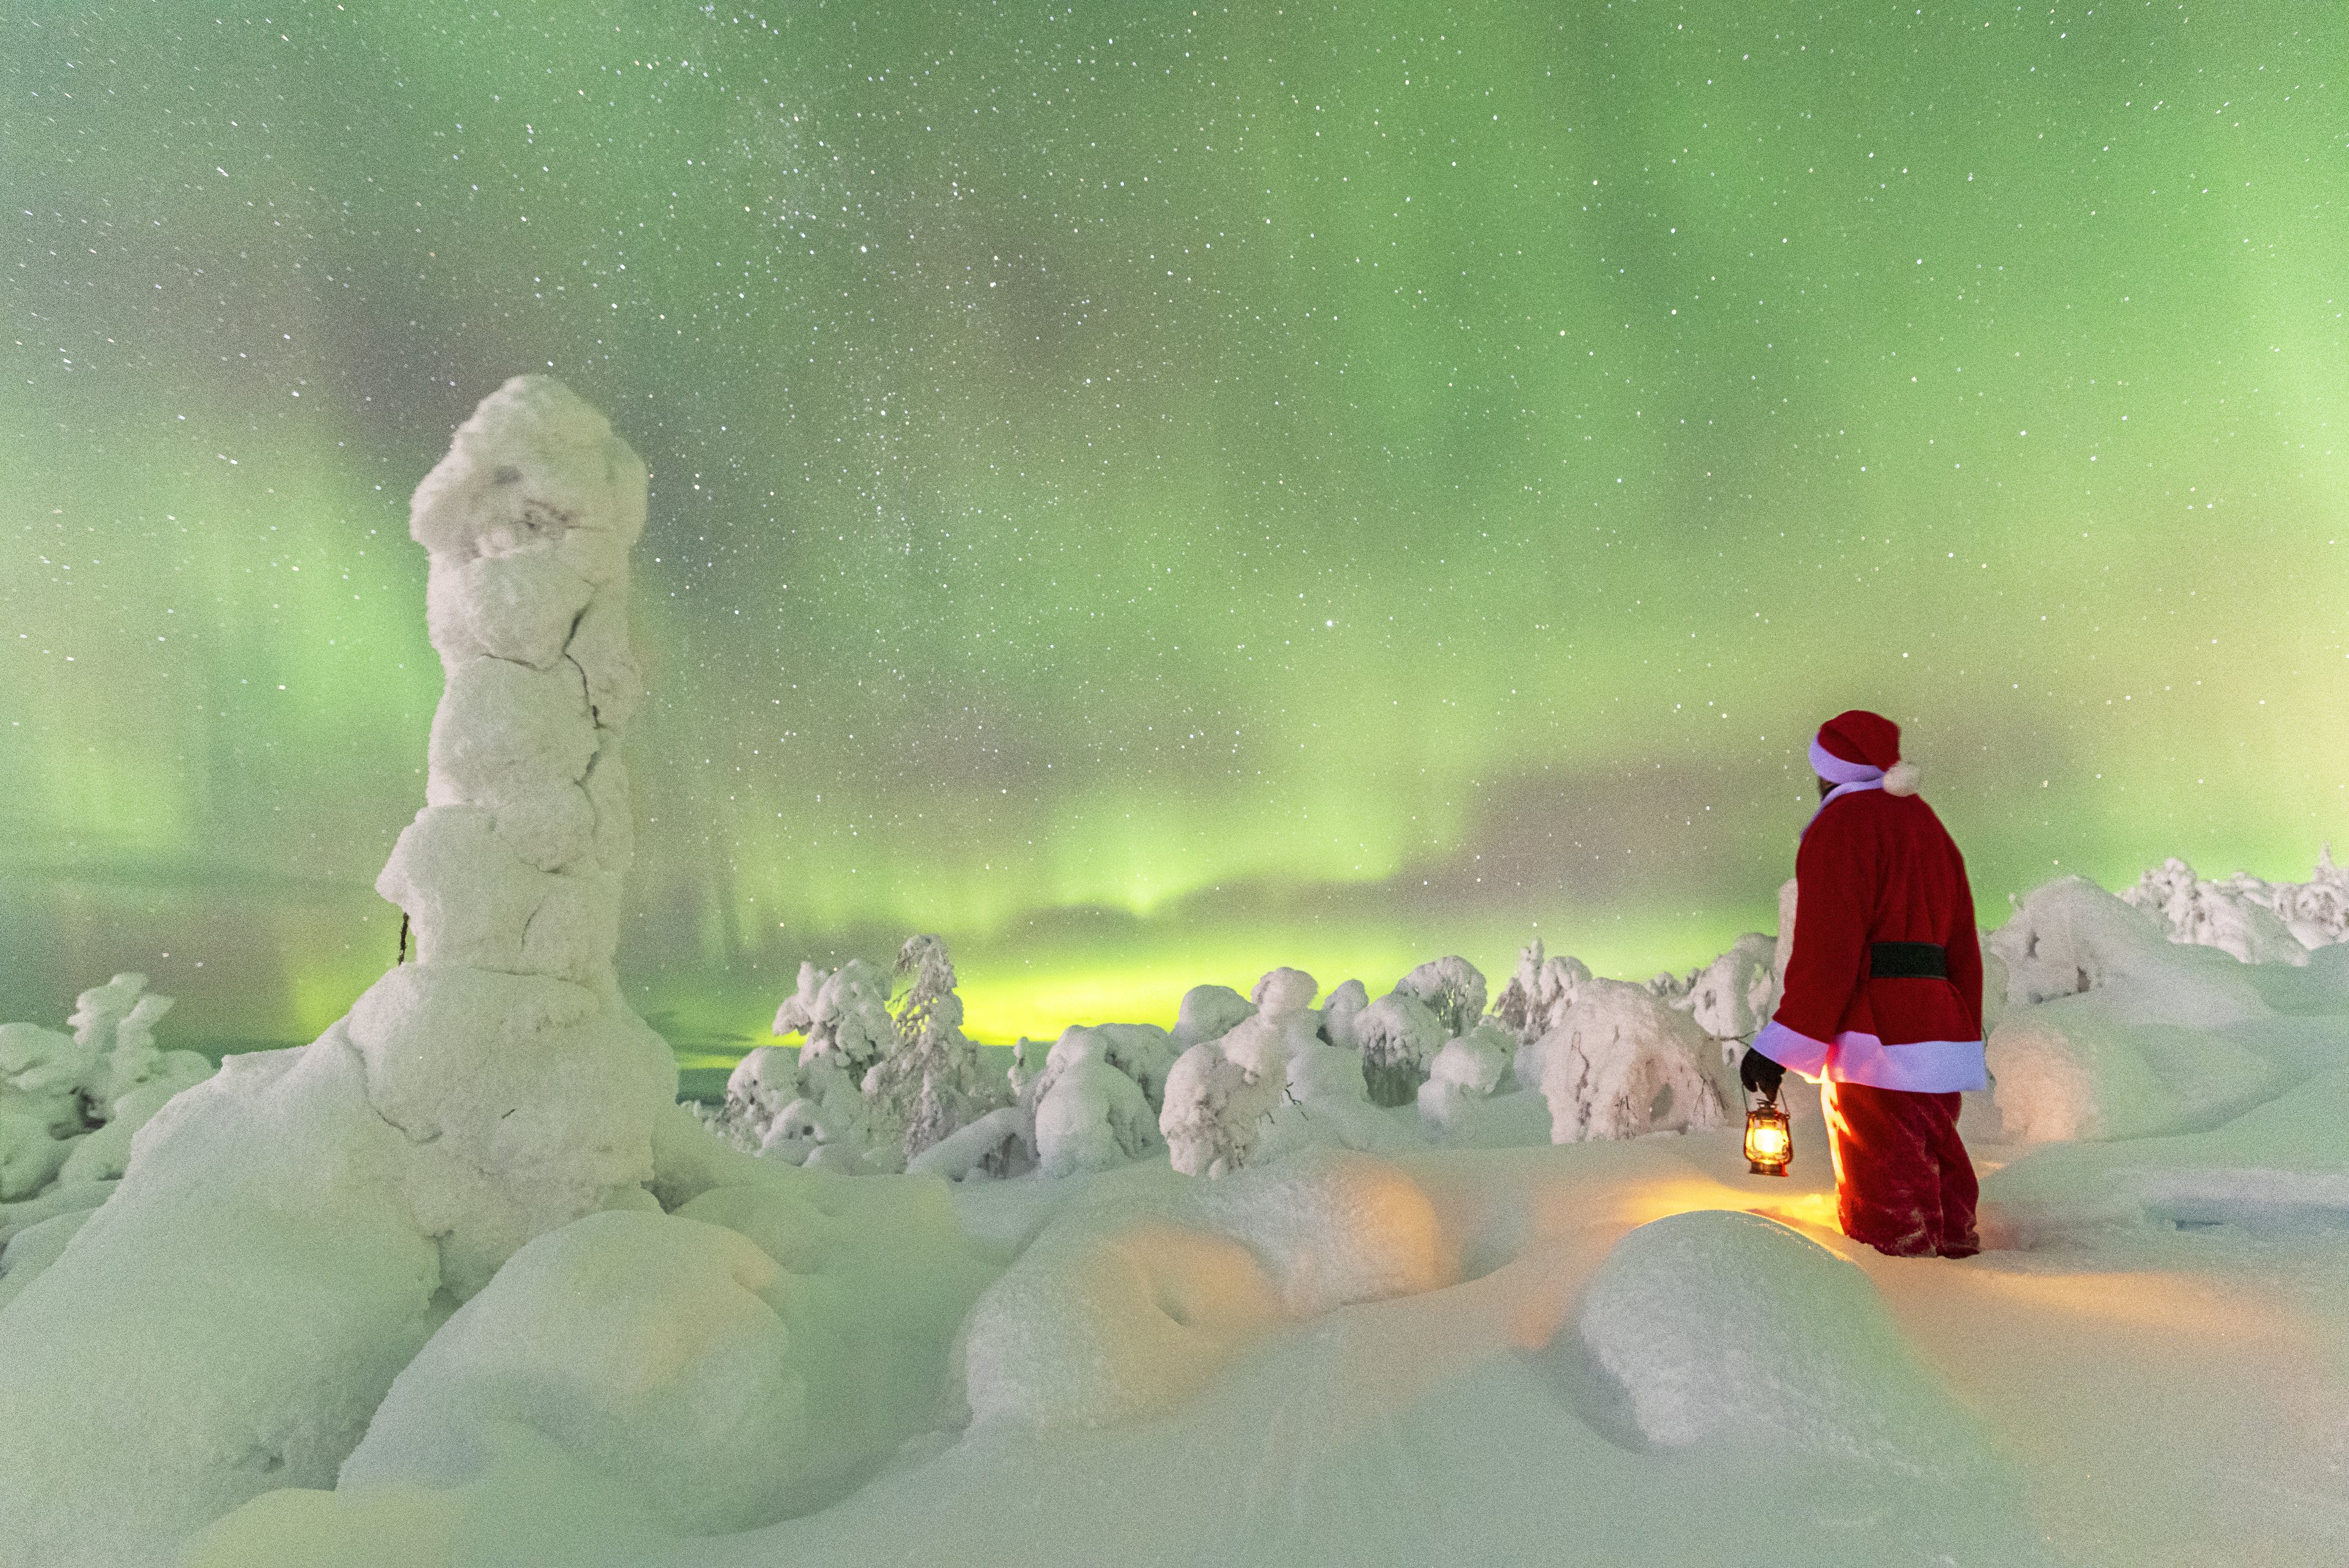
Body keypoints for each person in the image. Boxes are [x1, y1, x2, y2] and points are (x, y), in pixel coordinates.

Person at [1740, 709, 1986, 1258]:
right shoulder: (1929, 826)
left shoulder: (1842, 826)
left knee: (1887, 1202)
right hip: (1938, 1029)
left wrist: (1780, 1045)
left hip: (1875, 1036)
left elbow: (1829, 952)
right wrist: (1960, 1029)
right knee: (1942, 1183)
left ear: (1829, 772)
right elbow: (1963, 948)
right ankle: (1964, 1286)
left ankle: (1908, 1295)